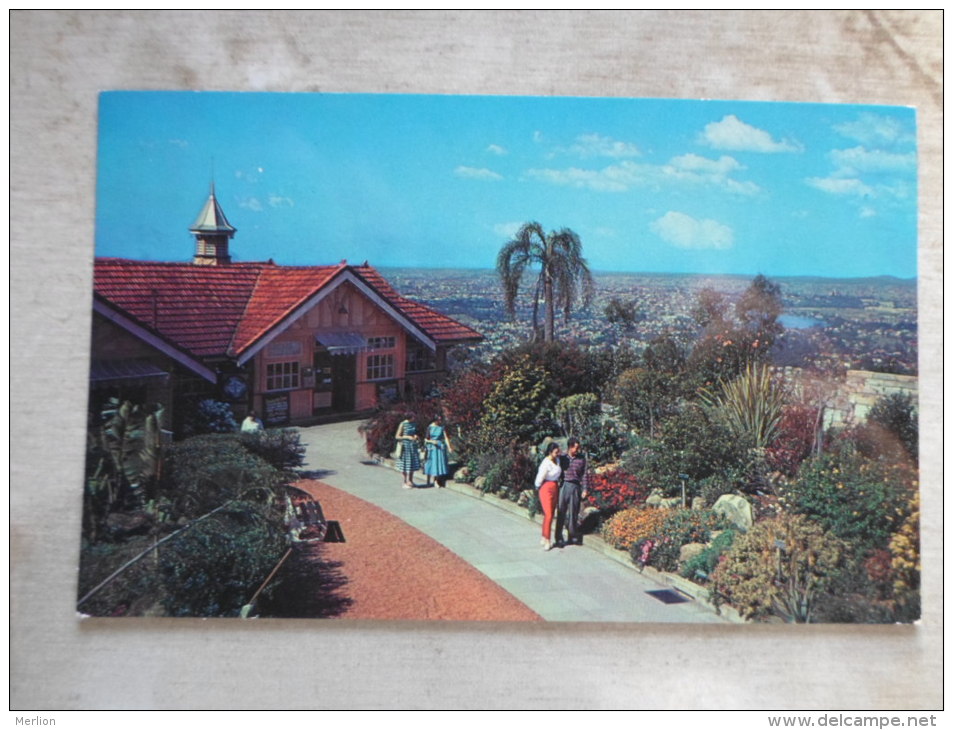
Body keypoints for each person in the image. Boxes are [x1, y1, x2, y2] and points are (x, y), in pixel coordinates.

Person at [555, 437, 589, 547]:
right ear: (570, 447)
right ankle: (558, 537)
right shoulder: (562, 457)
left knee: (574, 512)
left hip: (575, 486)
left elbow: (584, 475)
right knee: (561, 512)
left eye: (578, 448)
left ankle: (572, 536)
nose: (577, 450)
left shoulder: (581, 458)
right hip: (564, 485)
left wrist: (585, 489)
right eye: (576, 447)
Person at [534, 442, 562, 551]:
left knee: (550, 514)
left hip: (555, 487)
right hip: (546, 488)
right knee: (549, 514)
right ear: (550, 452)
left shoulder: (558, 460)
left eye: (558, 451)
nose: (558, 453)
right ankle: (547, 539)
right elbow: (540, 477)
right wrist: (537, 487)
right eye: (556, 452)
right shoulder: (546, 463)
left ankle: (543, 536)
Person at [423, 414, 453, 487]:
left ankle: (437, 480)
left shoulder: (442, 427)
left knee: (439, 463)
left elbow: (446, 437)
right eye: (438, 420)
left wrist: (449, 447)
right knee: (433, 463)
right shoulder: (430, 427)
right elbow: (426, 439)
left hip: (440, 446)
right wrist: (432, 442)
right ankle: (432, 480)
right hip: (432, 447)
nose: (440, 421)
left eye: (440, 420)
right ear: (435, 420)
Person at [394, 412, 421, 488]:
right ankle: (405, 481)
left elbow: (415, 432)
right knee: (405, 464)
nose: (414, 418)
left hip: (412, 446)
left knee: (412, 464)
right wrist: (406, 437)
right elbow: (397, 436)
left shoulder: (414, 424)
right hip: (405, 447)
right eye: (413, 417)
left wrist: (415, 436)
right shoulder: (403, 424)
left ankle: (411, 481)